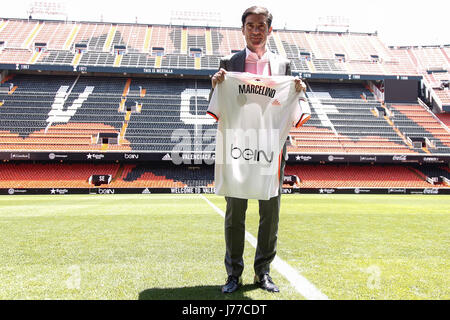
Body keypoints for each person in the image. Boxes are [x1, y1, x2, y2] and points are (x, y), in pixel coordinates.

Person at [210, 6, 307, 294]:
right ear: (243, 29)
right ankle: (233, 274)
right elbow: (219, 103)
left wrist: (301, 87)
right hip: (239, 145)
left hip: (271, 147)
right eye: (250, 25)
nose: (255, 30)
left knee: (271, 212)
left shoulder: (284, 65)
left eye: (261, 25)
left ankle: (263, 272)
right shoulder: (228, 61)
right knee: (234, 212)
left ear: (269, 29)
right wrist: (214, 84)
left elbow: (291, 100)